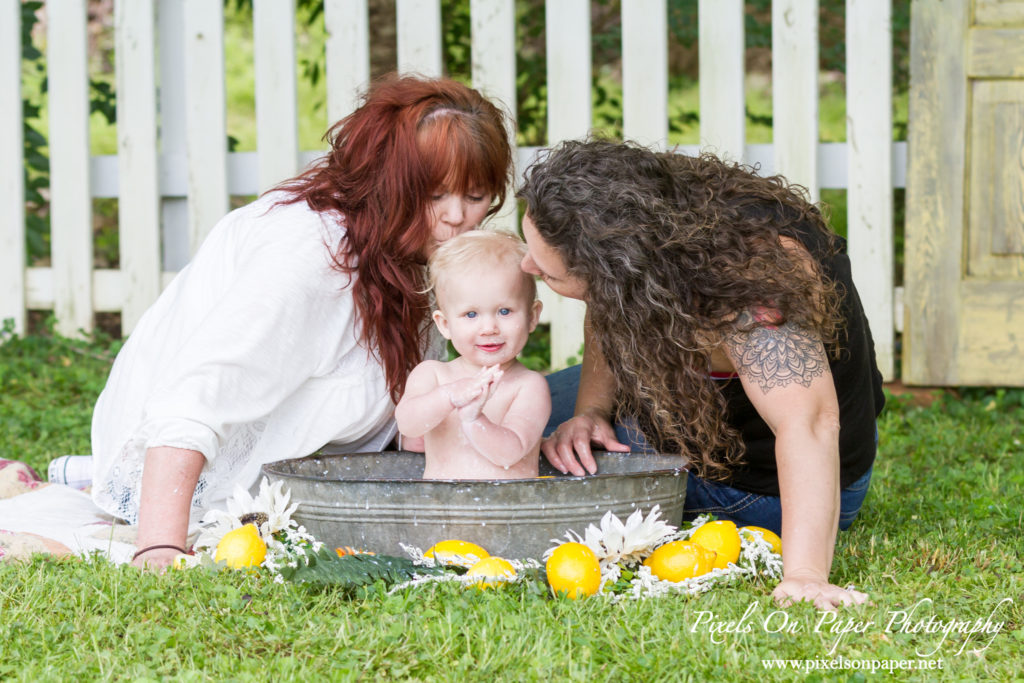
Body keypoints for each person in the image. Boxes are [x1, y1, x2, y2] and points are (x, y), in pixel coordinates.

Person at [90, 75, 513, 570]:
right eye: (435, 194)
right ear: (388, 183)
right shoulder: (309, 253)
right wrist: (158, 546)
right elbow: (197, 395)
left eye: (476, 195)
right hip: (196, 488)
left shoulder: (417, 248)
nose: (458, 216)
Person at [517, 139, 884, 610]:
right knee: (513, 414)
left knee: (509, 443)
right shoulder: (667, 219)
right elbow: (610, 308)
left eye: (547, 274)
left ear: (615, 272)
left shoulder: (751, 290)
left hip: (765, 482)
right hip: (712, 423)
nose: (527, 266)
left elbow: (809, 424)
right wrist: (591, 409)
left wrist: (806, 574)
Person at [395, 230, 549, 479]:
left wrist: (474, 419)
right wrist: (448, 396)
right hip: (441, 511)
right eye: (471, 314)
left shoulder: (528, 386)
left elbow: (510, 453)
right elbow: (408, 425)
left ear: (532, 316)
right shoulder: (433, 375)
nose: (489, 328)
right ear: (444, 324)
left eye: (505, 311)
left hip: (511, 513)